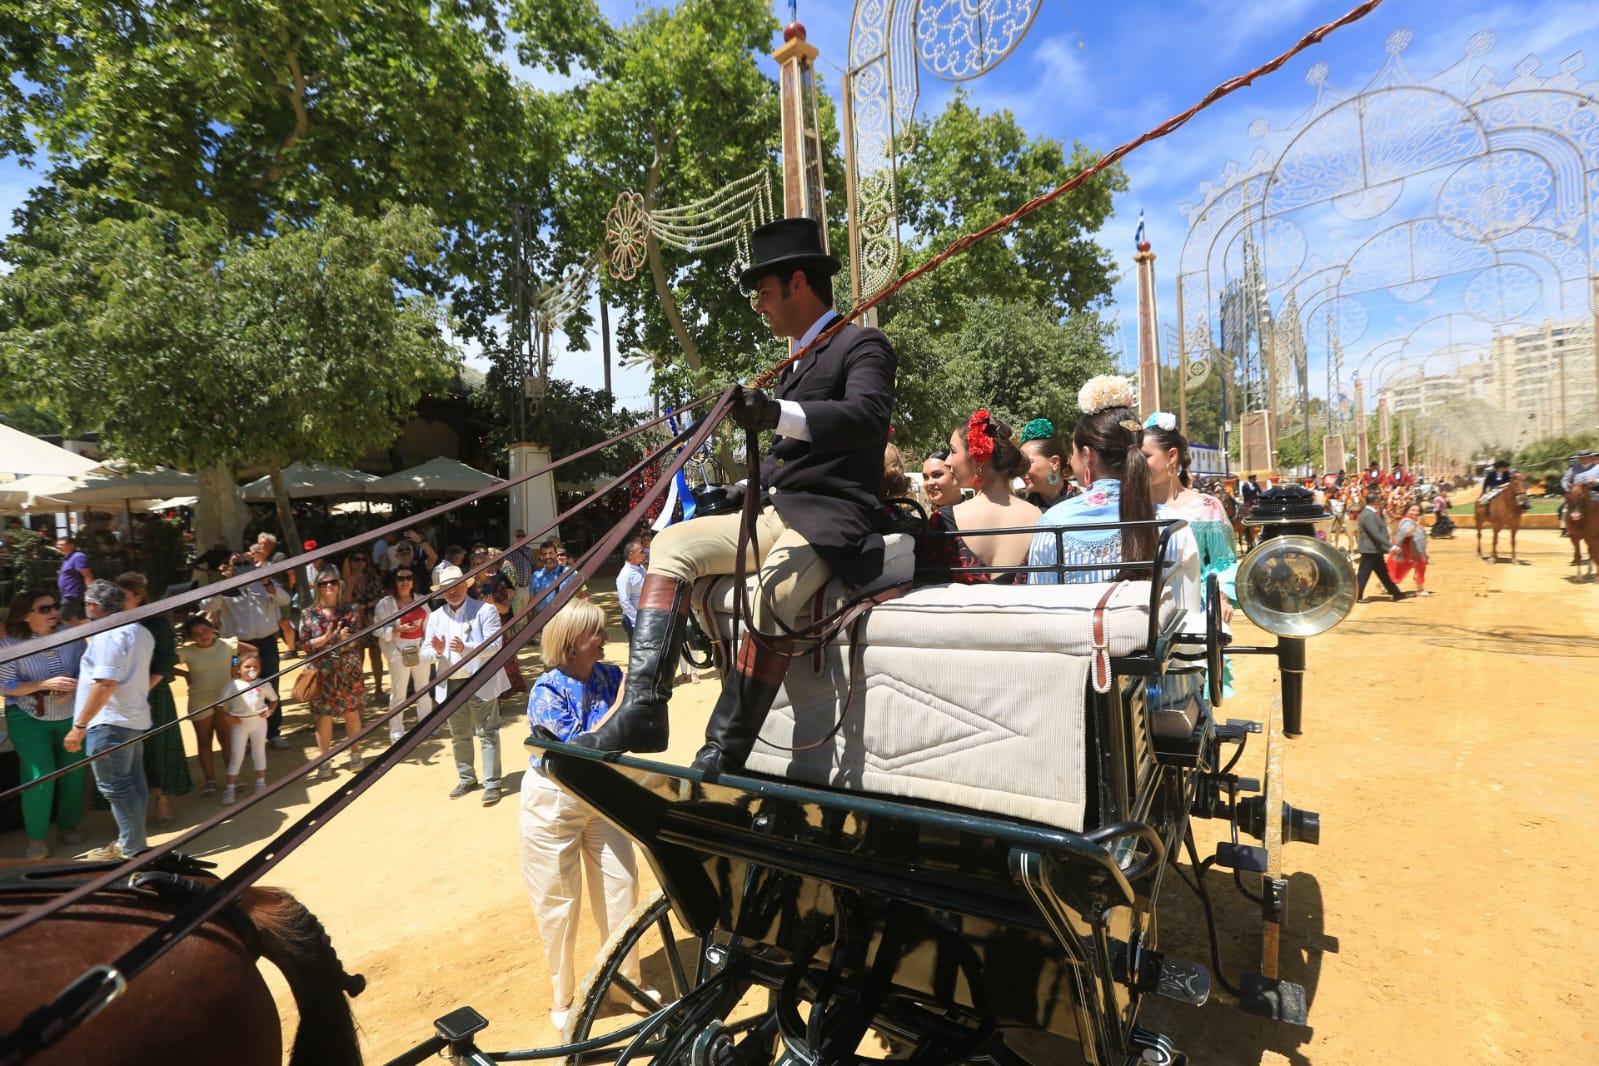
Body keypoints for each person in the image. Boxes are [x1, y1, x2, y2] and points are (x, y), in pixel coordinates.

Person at [574, 217, 895, 775]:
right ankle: (645, 711)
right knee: (670, 545)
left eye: (763, 294)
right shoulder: (799, 360)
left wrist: (774, 411)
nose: (760, 306)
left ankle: (726, 747)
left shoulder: (863, 343)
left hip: (832, 516)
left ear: (798, 282)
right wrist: (741, 487)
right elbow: (788, 458)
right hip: (777, 509)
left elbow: (867, 417)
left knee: (772, 592)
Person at [521, 600, 648, 1032]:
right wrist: (624, 703)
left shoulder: (611, 675)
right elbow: (581, 748)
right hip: (554, 802)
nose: (605, 638)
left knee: (622, 888)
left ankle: (625, 983)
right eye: (596, 632)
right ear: (572, 643)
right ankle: (563, 994)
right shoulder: (546, 691)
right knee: (558, 902)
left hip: (602, 796)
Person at [1028, 376, 1161, 584]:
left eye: (1073, 453)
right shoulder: (1172, 525)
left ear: (1088, 457)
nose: (1070, 461)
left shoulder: (1053, 525)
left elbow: (1041, 607)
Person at [64, 580, 155, 861]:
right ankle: (132, 842)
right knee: (132, 783)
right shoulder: (140, 631)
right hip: (133, 718)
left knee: (117, 786)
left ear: (93, 606)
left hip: (110, 721)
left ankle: (131, 849)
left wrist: (79, 726)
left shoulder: (108, 635)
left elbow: (105, 683)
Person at [1, 588, 87, 859]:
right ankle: (36, 839)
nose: (54, 612)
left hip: (70, 715)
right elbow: (5, 686)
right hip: (28, 718)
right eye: (44, 609)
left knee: (74, 772)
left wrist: (71, 688)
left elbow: (86, 669)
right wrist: (44, 685)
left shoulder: (71, 635)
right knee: (41, 777)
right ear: (26, 615)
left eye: (55, 606)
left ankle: (68, 826)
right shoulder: (9, 645)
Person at [917, 410, 1040, 583]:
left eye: (952, 451)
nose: (947, 462)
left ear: (978, 457)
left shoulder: (943, 522)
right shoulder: (1041, 518)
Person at [420, 563, 507, 805]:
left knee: (487, 732)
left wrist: (467, 648)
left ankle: (492, 783)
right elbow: (424, 653)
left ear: (465, 585)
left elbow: (495, 645)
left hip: (480, 678)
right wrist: (437, 652)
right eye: (447, 588)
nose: (453, 591)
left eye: (456, 585)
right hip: (451, 683)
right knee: (459, 734)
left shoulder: (485, 610)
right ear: (441, 592)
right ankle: (467, 777)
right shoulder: (435, 617)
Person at [1140, 413, 1238, 622]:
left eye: (1145, 456)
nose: (1138, 464)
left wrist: (1221, 597)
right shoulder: (1132, 508)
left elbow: (1223, 564)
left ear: (1172, 456)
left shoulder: (1207, 508)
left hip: (1194, 614)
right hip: (1140, 614)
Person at [117, 572, 190, 828]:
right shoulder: (109, 622)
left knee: (160, 747)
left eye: (124, 595)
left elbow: (165, 662)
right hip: (119, 696)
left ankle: (163, 798)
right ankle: (129, 807)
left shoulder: (156, 622)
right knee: (125, 751)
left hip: (154, 691)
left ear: (139, 597)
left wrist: (140, 692)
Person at [208, 552, 291, 748]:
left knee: (270, 685)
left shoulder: (264, 584)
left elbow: (285, 600)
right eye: (238, 563)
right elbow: (207, 605)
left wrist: (265, 580)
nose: (243, 566)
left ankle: (273, 733)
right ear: (229, 566)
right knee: (238, 687)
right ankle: (243, 736)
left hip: (267, 645)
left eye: (246, 562)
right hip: (238, 648)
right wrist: (224, 583)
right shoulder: (225, 589)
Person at [296, 568, 366, 778]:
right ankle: (324, 760)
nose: (329, 586)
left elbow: (357, 638)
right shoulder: (308, 614)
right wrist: (328, 638)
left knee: (351, 711)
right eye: (324, 583)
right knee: (324, 716)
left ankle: (356, 755)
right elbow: (305, 645)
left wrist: (341, 640)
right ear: (317, 587)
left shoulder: (350, 610)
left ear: (339, 585)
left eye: (333, 582)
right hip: (321, 672)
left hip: (347, 669)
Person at [174, 615, 251, 796]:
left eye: (205, 630)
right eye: (197, 634)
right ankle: (210, 780)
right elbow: (163, 665)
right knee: (204, 740)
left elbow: (252, 651)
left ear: (212, 628)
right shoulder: (187, 652)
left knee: (226, 739)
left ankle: (234, 778)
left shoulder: (227, 644)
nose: (203, 636)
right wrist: (184, 674)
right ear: (191, 637)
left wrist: (235, 665)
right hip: (200, 700)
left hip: (224, 698)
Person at [375, 565, 432, 744]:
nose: (405, 582)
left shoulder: (421, 599)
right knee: (399, 692)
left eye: (408, 578)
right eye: (401, 578)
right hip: (398, 650)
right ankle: (397, 732)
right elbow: (376, 629)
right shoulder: (385, 604)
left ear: (413, 581)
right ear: (394, 581)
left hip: (420, 647)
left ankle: (426, 727)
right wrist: (397, 629)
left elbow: (430, 625)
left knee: (423, 690)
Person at [219, 652, 277, 804]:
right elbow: (218, 706)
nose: (252, 669)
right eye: (247, 666)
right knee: (237, 756)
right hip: (239, 724)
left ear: (260, 669)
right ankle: (230, 788)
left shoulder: (264, 683)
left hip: (259, 722)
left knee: (259, 753)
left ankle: (260, 784)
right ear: (238, 668)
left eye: (255, 666)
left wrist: (270, 710)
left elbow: (274, 700)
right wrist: (227, 717)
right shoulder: (232, 686)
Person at [470, 545, 526, 701]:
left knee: (502, 664)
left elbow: (505, 608)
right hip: (475, 634)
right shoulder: (467, 587)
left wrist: (492, 603)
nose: (479, 567)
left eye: (482, 564)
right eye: (476, 564)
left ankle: (498, 699)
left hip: (498, 631)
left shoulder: (497, 584)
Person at [343, 551, 387, 700]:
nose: (359, 562)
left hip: (372, 618)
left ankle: (379, 690)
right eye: (355, 559)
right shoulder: (345, 580)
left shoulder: (372, 577)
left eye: (363, 559)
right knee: (358, 657)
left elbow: (381, 596)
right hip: (355, 622)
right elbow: (346, 601)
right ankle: (359, 691)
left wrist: (365, 606)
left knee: (376, 655)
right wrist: (350, 583)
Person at [1356, 489, 1409, 603]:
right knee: (1363, 573)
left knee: (1383, 573)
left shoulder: (1368, 513)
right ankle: (1356, 595)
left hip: (1374, 549)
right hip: (1370, 549)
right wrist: (1391, 546)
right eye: (1379, 500)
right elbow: (1375, 533)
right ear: (1375, 501)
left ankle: (1396, 593)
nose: (1380, 502)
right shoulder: (1368, 515)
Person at [254, 533, 298, 656]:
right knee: (275, 622)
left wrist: (289, 587)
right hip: (269, 594)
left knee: (284, 621)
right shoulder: (264, 558)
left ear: (273, 544)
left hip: (280, 593)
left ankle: (292, 649)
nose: (263, 546)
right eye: (261, 543)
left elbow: (291, 572)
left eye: (266, 543)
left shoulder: (278, 556)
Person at [1019, 419, 1074, 510]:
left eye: (1028, 462)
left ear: (1054, 462)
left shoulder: (1084, 504)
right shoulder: (1024, 511)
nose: (1021, 469)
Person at [1387, 503, 1430, 596]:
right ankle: (1384, 584)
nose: (1415, 512)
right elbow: (1407, 533)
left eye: (1417, 510)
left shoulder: (1413, 520)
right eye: (1413, 510)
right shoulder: (1407, 521)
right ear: (1407, 510)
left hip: (1413, 549)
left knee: (1420, 566)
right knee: (1396, 569)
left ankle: (1420, 588)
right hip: (1406, 549)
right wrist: (1415, 525)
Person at [615, 539, 647, 638]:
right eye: (641, 552)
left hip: (645, 616)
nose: (644, 554)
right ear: (631, 555)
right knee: (637, 651)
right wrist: (637, 621)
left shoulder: (641, 568)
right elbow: (624, 601)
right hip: (635, 620)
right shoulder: (625, 575)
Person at [55, 535, 92, 616]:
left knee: (62, 617)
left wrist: (90, 592)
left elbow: (87, 575)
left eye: (61, 545)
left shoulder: (78, 556)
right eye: (57, 545)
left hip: (74, 594)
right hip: (67, 594)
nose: (59, 547)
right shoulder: (67, 558)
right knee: (75, 618)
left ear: (71, 545)